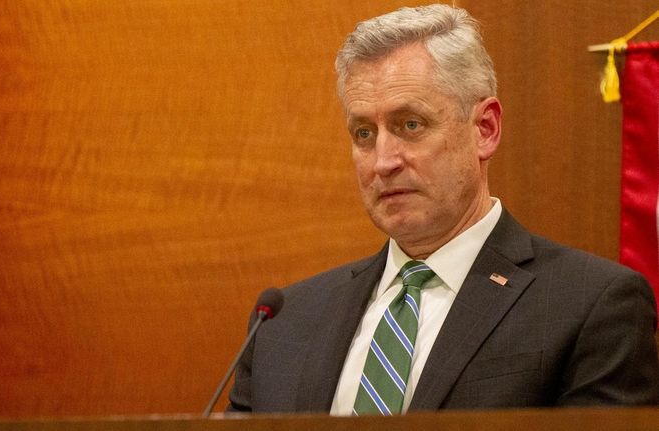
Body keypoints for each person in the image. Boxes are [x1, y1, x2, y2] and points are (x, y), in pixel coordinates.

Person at [227, 4, 659, 414]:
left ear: (485, 130)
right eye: (363, 133)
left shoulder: (591, 304)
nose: (383, 161)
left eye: (410, 125)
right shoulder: (283, 322)